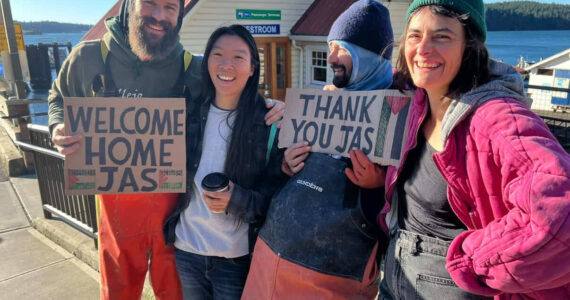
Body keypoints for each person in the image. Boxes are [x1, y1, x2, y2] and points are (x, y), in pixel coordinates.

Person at [47, 1, 283, 299]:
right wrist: (57, 126)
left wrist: (270, 106)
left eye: (170, 7)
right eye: (150, 4)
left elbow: (232, 88)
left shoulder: (193, 68)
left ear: (179, 15)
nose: (159, 16)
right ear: (129, 6)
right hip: (115, 209)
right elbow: (58, 98)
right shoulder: (87, 57)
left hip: (174, 220)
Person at [379, 0, 570, 299]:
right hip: (396, 277)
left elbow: (560, 210)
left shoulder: (495, 116)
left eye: (442, 36)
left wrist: (471, 260)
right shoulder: (417, 100)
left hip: (453, 287)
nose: (424, 48)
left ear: (469, 46)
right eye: (415, 36)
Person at [242, 1, 394, 298]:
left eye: (343, 49)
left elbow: (402, 215)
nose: (331, 57)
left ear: (370, 57)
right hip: (269, 263)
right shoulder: (318, 104)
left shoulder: (397, 114)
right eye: (330, 46)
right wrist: (286, 166)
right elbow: (282, 179)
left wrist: (378, 186)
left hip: (332, 279)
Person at [162, 24, 288, 300]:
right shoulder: (188, 114)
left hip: (237, 259)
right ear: (206, 61)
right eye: (217, 55)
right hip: (187, 250)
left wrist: (236, 199)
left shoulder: (271, 124)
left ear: (253, 67)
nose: (226, 65)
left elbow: (276, 203)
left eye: (239, 57)